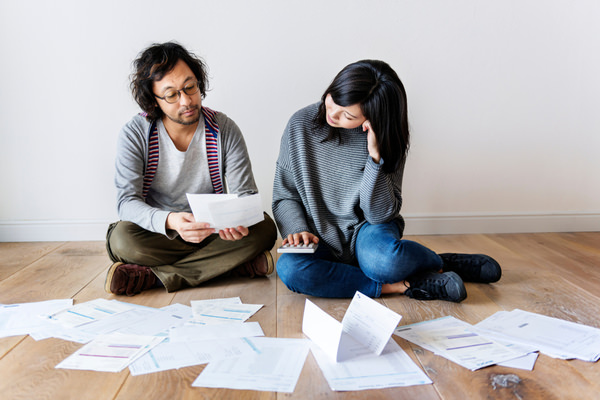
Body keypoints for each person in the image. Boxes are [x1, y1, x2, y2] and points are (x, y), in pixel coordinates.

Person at [272, 60, 501, 302]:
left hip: (367, 230)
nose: (332, 113)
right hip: (318, 236)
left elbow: (379, 215)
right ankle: (405, 284)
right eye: (333, 99)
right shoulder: (300, 125)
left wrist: (375, 157)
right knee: (290, 269)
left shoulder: (386, 137)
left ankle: (439, 261)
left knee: (385, 262)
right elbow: (285, 194)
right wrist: (298, 230)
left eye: (348, 115)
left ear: (372, 116)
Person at [105, 42, 277, 296]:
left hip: (212, 230)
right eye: (172, 95)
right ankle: (228, 267)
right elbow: (127, 203)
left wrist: (236, 221)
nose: (186, 100)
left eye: (190, 87)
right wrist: (171, 221)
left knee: (264, 228)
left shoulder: (223, 129)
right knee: (121, 238)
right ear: (154, 100)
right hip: (162, 233)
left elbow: (245, 195)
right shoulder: (135, 133)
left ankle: (154, 277)